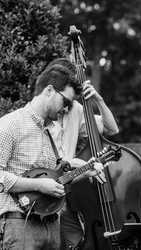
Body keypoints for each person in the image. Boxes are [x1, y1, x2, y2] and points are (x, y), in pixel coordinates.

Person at [0, 64, 103, 250]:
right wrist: (38, 185)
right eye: (66, 102)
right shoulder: (10, 125)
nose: (67, 109)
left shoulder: (53, 131)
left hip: (53, 225)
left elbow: (56, 180)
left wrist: (86, 171)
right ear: (49, 90)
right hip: (20, 226)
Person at [45, 58, 119, 250]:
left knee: (76, 244)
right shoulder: (40, 110)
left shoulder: (76, 110)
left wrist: (98, 100)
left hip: (67, 194)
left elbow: (112, 129)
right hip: (42, 191)